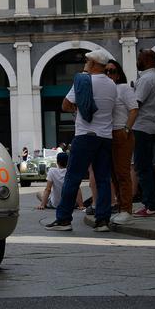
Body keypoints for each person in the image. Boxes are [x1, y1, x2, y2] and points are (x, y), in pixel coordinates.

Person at [46, 48, 117, 232]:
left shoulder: (84, 80)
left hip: (85, 135)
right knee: (103, 179)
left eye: (86, 61)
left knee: (73, 177)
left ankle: (63, 220)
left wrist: (77, 110)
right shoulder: (111, 84)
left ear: (92, 64)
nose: (84, 64)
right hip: (105, 137)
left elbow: (65, 105)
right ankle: (102, 221)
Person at [131, 49, 155, 218]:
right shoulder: (154, 77)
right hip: (150, 126)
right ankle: (150, 203)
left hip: (142, 126)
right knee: (145, 167)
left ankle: (152, 205)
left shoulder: (146, 79)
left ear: (148, 59)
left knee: (142, 167)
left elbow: (135, 104)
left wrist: (127, 126)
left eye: (139, 57)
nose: (138, 60)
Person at [105, 60, 138, 225]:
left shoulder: (124, 88)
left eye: (112, 71)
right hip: (108, 134)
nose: (109, 74)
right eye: (106, 71)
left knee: (123, 173)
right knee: (114, 175)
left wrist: (126, 129)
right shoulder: (104, 90)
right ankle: (121, 208)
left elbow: (134, 109)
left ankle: (126, 210)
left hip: (120, 132)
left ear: (118, 74)